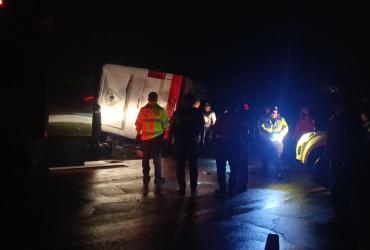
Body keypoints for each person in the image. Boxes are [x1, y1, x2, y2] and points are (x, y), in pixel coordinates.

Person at [170, 93, 204, 197]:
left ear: (184, 101)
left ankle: (182, 189)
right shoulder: (198, 113)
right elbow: (202, 129)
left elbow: (172, 127)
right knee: (193, 166)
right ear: (193, 102)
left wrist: (170, 141)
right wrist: (201, 142)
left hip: (180, 142)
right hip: (192, 142)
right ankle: (193, 189)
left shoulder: (178, 112)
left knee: (180, 166)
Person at [214, 99, 250, 196]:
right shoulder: (241, 118)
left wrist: (219, 139)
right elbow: (246, 132)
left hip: (224, 145)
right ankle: (231, 190)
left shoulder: (222, 117)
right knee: (234, 169)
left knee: (221, 168)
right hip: (235, 146)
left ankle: (223, 189)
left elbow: (216, 130)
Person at [135, 92, 169, 185]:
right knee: (156, 158)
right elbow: (166, 125)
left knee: (145, 158)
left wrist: (138, 133)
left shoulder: (143, 110)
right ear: (156, 99)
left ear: (148, 99)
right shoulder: (161, 110)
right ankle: (158, 179)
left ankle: (146, 177)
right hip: (157, 138)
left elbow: (138, 123)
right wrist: (166, 133)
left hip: (145, 138)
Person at [259, 106, 288, 179]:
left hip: (278, 141)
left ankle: (278, 172)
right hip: (266, 141)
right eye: (272, 111)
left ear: (277, 112)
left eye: (274, 112)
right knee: (265, 156)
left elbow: (286, 128)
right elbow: (260, 127)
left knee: (278, 157)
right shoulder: (264, 119)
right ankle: (264, 172)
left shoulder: (281, 119)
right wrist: (267, 134)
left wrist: (281, 135)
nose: (273, 113)